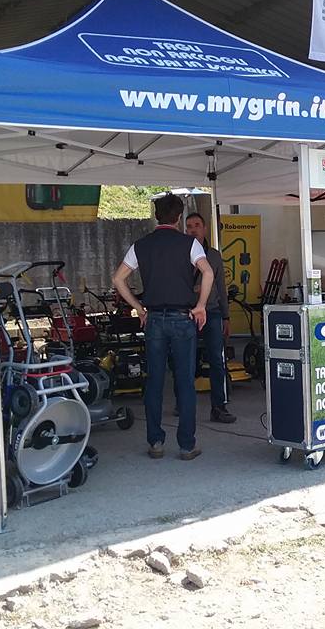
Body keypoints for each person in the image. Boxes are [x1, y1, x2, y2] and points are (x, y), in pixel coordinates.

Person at [112, 193, 213, 460]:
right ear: (178, 217)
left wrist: (138, 306)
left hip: (154, 319)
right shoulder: (190, 244)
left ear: (157, 216)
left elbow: (118, 278)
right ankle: (187, 445)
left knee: (154, 381)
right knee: (185, 382)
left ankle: (155, 442)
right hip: (182, 317)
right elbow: (208, 272)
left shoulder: (140, 246)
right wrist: (201, 305)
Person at [185, 212, 237, 424]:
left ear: (205, 228)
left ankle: (219, 406)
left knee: (217, 359)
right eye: (189, 226)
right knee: (185, 360)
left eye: (197, 225)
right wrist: (192, 290)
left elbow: (221, 287)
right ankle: (183, 404)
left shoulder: (214, 255)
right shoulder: (180, 252)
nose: (193, 230)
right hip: (187, 312)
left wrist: (226, 316)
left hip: (213, 311)